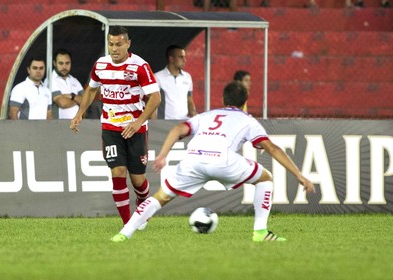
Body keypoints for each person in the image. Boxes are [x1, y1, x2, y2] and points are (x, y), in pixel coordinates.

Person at [110, 81, 315, 243]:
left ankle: (123, 234)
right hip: (223, 162)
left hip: (193, 160)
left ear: (223, 99)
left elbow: (177, 130)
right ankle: (260, 232)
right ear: (245, 101)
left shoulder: (207, 115)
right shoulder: (248, 120)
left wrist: (163, 154)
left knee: (160, 197)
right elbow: (273, 148)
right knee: (264, 178)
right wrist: (299, 176)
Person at [70, 26, 161, 227]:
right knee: (118, 171)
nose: (114, 49)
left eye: (119, 44)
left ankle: (142, 201)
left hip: (135, 129)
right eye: (111, 44)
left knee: (138, 179)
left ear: (128, 44)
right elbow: (91, 89)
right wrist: (80, 113)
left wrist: (138, 122)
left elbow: (155, 97)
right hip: (110, 127)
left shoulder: (139, 66)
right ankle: (128, 223)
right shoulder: (100, 65)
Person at [153, 45, 197, 120]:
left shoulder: (187, 77)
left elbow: (190, 100)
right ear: (171, 59)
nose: (184, 60)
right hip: (164, 123)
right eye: (181, 57)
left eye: (184, 57)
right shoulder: (157, 77)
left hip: (183, 123)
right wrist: (153, 125)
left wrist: (194, 114)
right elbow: (153, 103)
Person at [46, 48, 84, 119]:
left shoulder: (74, 80)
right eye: (61, 63)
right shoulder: (50, 80)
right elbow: (62, 103)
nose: (64, 67)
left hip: (77, 125)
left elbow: (86, 102)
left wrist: (71, 96)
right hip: (59, 125)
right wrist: (78, 102)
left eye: (67, 63)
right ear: (54, 63)